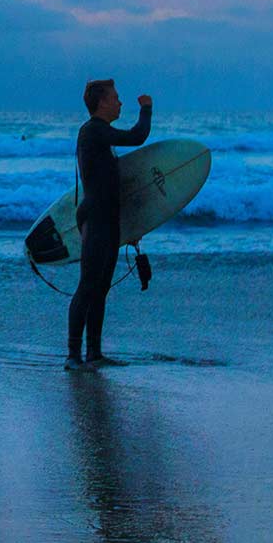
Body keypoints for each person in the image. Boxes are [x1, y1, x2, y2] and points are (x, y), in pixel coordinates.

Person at [68, 79, 152, 370]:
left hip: (109, 218)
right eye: (116, 98)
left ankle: (94, 353)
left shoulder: (100, 135)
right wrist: (147, 109)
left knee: (101, 287)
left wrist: (131, 226)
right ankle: (72, 355)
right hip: (96, 218)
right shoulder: (94, 131)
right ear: (102, 102)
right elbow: (137, 136)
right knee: (88, 286)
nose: (120, 102)